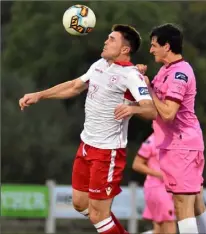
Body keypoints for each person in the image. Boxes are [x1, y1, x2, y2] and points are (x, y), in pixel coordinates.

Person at [19, 24, 157, 234]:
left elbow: (151, 110)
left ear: (125, 49)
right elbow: (75, 86)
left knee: (98, 215)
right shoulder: (100, 65)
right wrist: (40, 95)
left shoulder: (131, 75)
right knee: (79, 203)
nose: (105, 41)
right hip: (86, 145)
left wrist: (132, 109)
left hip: (107, 152)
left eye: (112, 39)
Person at [135, 24, 206, 233]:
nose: (151, 50)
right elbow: (155, 108)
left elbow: (168, 113)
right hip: (178, 144)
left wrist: (149, 89)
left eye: (153, 45)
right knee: (196, 204)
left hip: (182, 145)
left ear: (166, 46)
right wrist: (141, 82)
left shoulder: (180, 74)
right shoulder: (165, 70)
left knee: (182, 205)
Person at [132, 132, 176, 234]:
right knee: (169, 223)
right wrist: (159, 174)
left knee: (159, 228)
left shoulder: (174, 139)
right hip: (157, 187)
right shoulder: (152, 140)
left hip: (168, 188)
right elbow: (136, 164)